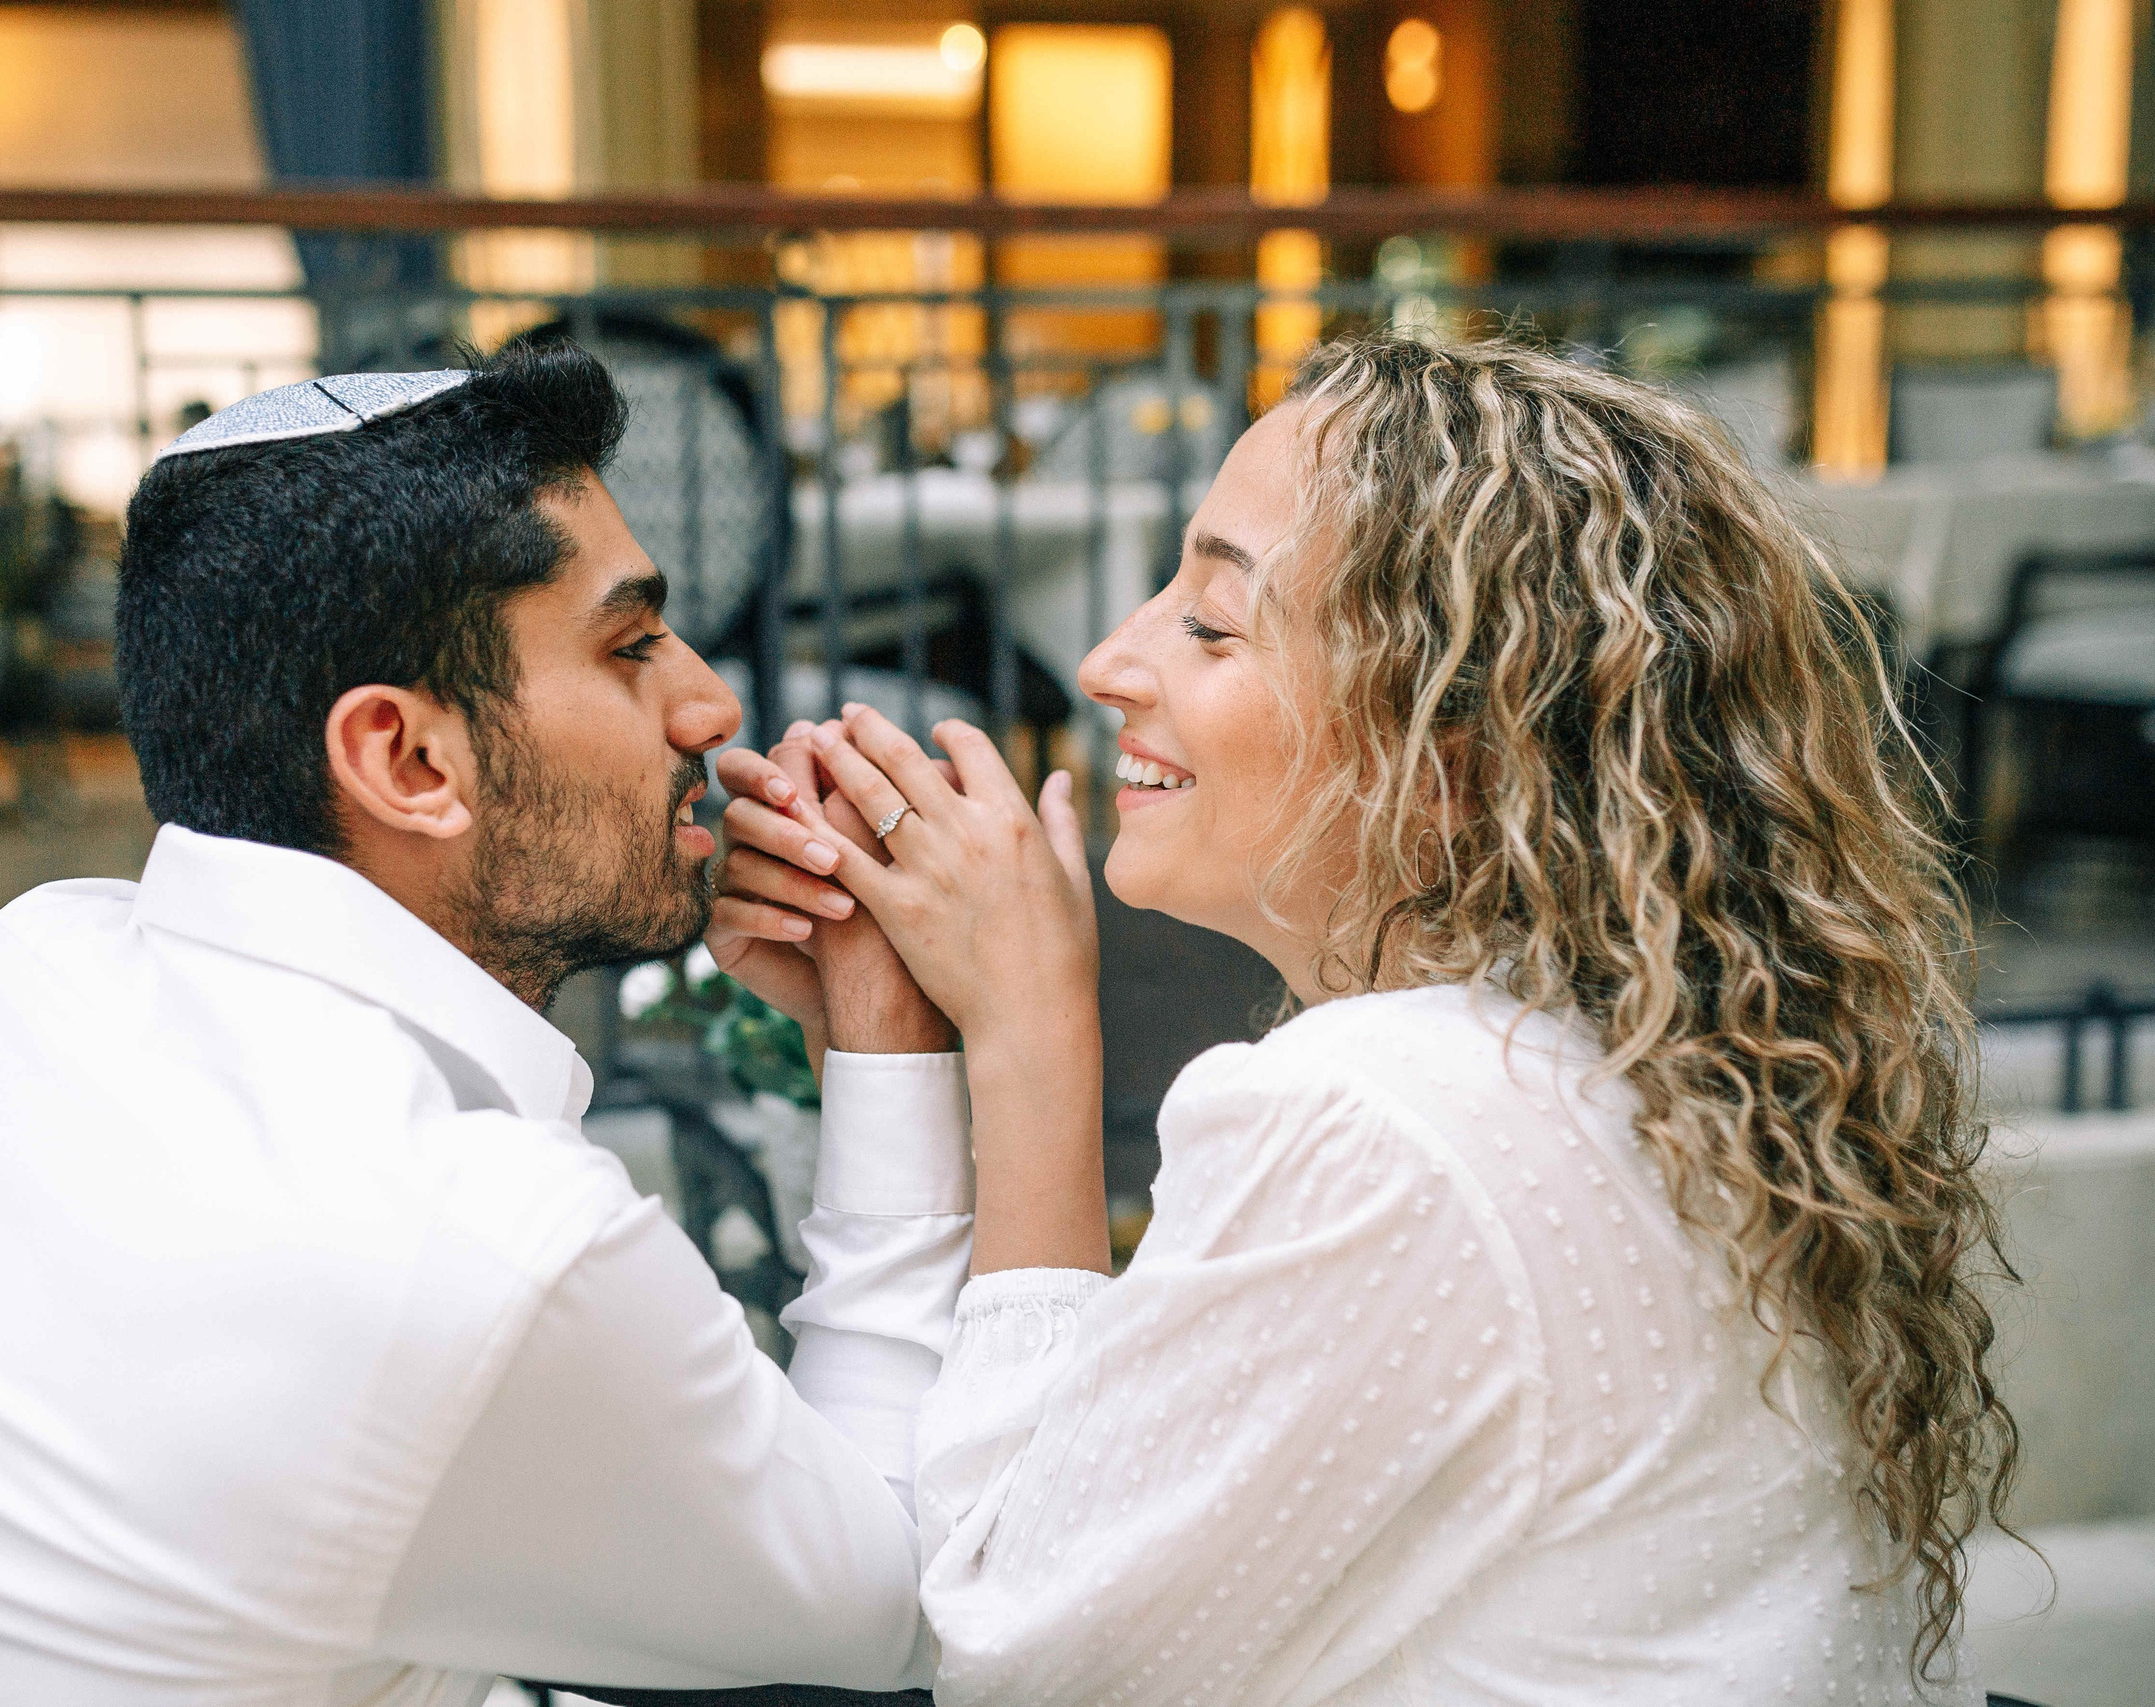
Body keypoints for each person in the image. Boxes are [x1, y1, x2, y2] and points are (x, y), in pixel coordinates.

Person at [713, 336, 2020, 1704]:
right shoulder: (1656, 1062)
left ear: (1454, 756)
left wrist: (1032, 1040)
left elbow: (1018, 1650)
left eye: (1212, 623)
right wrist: (908, 1047)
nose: (1107, 662)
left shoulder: (1386, 1116)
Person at [0, 345, 971, 1706]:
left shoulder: (25, 965)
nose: (711, 704)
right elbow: (906, 1598)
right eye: (630, 644)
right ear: (409, 760)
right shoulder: (479, 1247)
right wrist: (898, 1041)